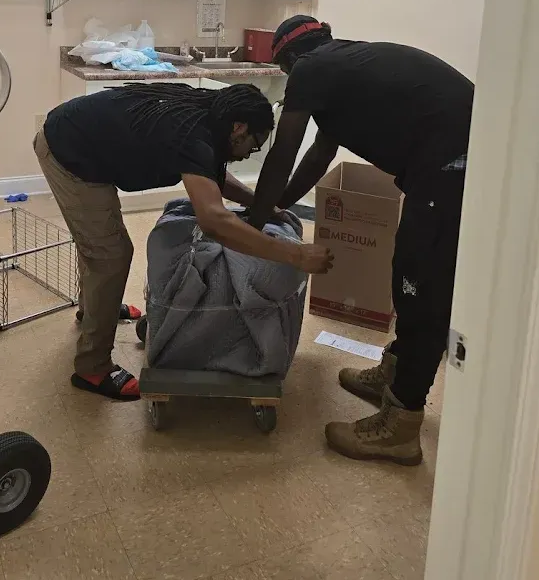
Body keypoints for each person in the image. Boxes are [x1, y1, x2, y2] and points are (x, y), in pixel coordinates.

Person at [249, 16, 473, 465]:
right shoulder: (344, 67)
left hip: (455, 165)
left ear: (290, 60)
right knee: (407, 269)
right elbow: (318, 154)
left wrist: (253, 222)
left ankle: (401, 423)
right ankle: (394, 371)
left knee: (421, 284)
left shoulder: (311, 69)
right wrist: (281, 206)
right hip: (449, 160)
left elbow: (284, 151)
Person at [34, 81, 334, 401]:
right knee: (110, 254)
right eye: (253, 144)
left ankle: (94, 309)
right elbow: (215, 221)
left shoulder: (209, 117)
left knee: (99, 242)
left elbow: (212, 176)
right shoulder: (195, 135)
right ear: (239, 127)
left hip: (83, 136)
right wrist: (296, 257)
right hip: (68, 151)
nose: (249, 153)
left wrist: (261, 206)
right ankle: (92, 367)